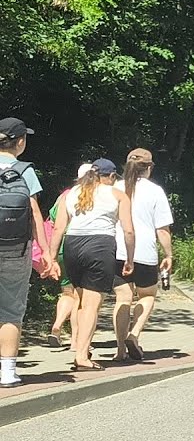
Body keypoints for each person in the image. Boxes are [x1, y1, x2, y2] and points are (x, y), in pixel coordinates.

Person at [50, 159, 134, 371]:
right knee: (91, 304)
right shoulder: (117, 195)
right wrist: (130, 259)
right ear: (112, 177)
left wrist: (51, 259)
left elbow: (59, 228)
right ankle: (81, 356)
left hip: (72, 245)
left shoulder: (70, 194)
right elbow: (129, 231)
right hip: (100, 245)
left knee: (79, 300)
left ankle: (81, 347)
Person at [0, 118, 57, 387]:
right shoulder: (24, 171)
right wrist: (45, 251)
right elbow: (35, 214)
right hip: (15, 250)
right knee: (11, 310)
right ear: (20, 142)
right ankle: (8, 372)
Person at [111, 149, 174, 361]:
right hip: (145, 251)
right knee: (147, 296)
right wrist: (169, 254)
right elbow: (162, 229)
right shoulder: (155, 191)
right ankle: (134, 334)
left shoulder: (114, 188)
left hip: (118, 250)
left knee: (123, 298)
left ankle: (120, 350)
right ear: (148, 168)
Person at [47, 164, 92, 349]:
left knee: (67, 293)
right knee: (81, 297)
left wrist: (52, 255)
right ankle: (76, 341)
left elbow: (54, 223)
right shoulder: (92, 196)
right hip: (82, 247)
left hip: (63, 248)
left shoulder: (64, 196)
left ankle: (57, 325)